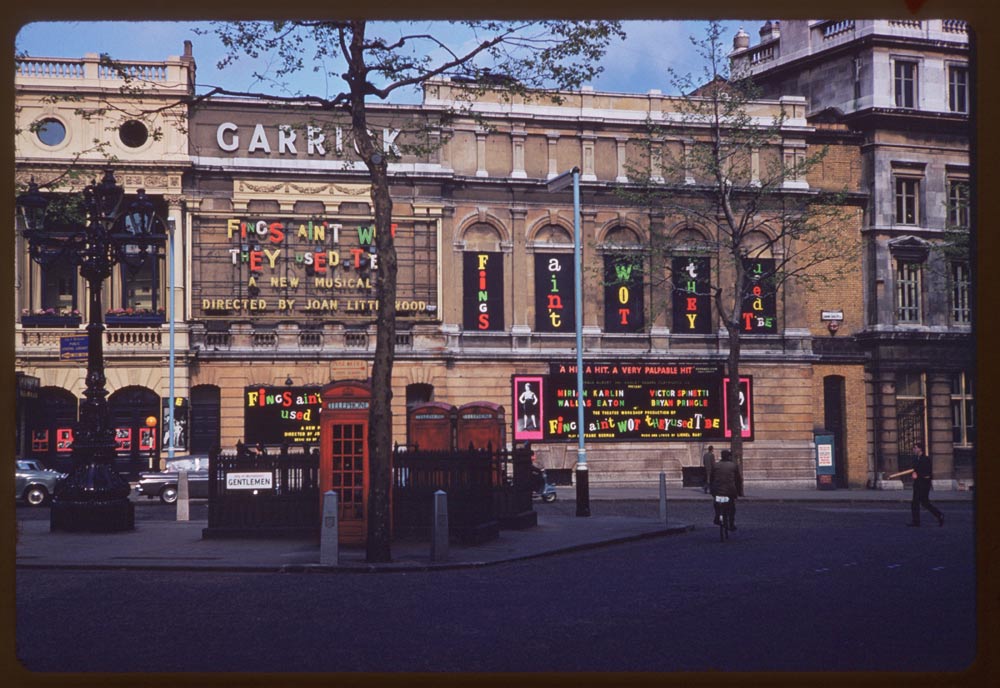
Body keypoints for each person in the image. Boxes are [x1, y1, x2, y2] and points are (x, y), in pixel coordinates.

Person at [908, 442, 944, 527]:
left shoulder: (926, 459)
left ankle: (938, 515)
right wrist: (914, 473)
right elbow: (915, 470)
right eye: (914, 448)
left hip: (924, 484)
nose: (914, 449)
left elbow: (927, 473)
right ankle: (917, 521)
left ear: (920, 449)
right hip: (917, 484)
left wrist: (917, 475)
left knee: (921, 502)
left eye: (915, 448)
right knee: (919, 503)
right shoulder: (916, 459)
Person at [709, 449, 742, 530]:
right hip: (730, 490)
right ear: (729, 456)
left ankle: (717, 516)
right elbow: (738, 479)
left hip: (717, 490)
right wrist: (739, 491)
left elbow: (711, 478)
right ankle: (731, 523)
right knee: (732, 507)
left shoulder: (715, 465)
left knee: (716, 503)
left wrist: (712, 489)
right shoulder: (733, 466)